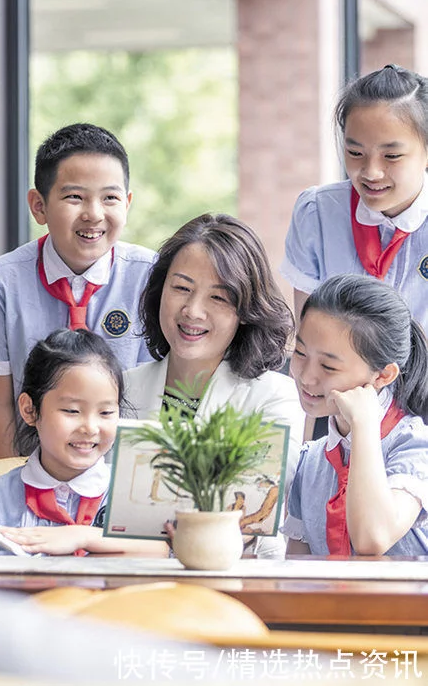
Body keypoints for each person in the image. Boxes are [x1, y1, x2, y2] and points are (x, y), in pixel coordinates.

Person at [0, 123, 156, 459]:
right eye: (74, 197)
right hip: (27, 472)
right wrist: (5, 489)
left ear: (127, 204)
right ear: (39, 206)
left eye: (110, 198)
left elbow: (155, 402)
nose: (93, 214)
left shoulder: (151, 277)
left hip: (119, 472)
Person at [123, 214, 304, 489]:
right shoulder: (122, 389)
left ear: (247, 310)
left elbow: (261, 497)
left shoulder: (274, 397)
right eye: (182, 288)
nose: (193, 311)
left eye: (218, 297)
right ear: (160, 291)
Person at [0, 328, 166, 556]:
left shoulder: (136, 496)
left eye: (106, 412)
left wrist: (84, 537)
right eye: (72, 411)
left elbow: (162, 553)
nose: (90, 428)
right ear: (30, 410)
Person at [283, 274, 428, 557]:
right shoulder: (311, 460)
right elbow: (297, 568)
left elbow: (372, 537)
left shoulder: (415, 447)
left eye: (328, 367)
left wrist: (363, 424)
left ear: (383, 375)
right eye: (300, 352)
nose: (307, 377)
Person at [281, 64, 428, 329]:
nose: (371, 172)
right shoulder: (317, 214)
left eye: (391, 156)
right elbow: (308, 336)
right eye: (355, 153)